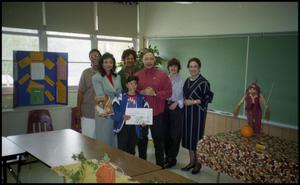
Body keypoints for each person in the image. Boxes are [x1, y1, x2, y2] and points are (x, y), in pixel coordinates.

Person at [135, 51, 172, 167]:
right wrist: (142, 92)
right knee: (142, 140)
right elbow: (131, 92)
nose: (149, 61)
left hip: (157, 112)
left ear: (154, 60)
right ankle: (142, 164)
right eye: (146, 59)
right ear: (142, 61)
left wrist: (155, 93)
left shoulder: (163, 75)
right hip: (141, 113)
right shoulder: (136, 75)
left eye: (151, 59)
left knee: (158, 140)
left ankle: (160, 166)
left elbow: (169, 93)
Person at [181, 57, 214, 174]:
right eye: (191, 66)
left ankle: (198, 163)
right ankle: (191, 162)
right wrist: (184, 101)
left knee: (196, 138)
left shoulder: (204, 82)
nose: (193, 69)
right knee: (189, 138)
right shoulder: (187, 81)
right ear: (188, 68)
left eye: (195, 66)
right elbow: (184, 95)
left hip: (198, 114)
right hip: (187, 113)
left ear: (199, 67)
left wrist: (193, 102)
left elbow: (207, 98)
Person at [118, 48, 148, 160]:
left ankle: (140, 161)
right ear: (123, 60)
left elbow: (142, 88)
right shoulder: (119, 74)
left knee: (137, 139)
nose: (129, 60)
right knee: (125, 141)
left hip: (137, 104)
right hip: (125, 106)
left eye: (131, 58)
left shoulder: (140, 71)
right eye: (127, 58)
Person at [110, 75, 149, 155]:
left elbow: (146, 111)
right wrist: (121, 116)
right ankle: (123, 167)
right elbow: (113, 110)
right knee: (122, 148)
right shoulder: (120, 97)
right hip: (123, 126)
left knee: (131, 149)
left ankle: (130, 166)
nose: (133, 86)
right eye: (131, 83)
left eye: (135, 83)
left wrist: (144, 121)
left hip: (135, 127)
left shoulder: (142, 98)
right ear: (127, 85)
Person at [92, 52, 122, 147]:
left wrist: (119, 108)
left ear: (113, 64)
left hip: (116, 108)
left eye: (110, 62)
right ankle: (103, 158)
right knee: (104, 135)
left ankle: (113, 158)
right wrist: (111, 110)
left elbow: (120, 92)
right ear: (102, 64)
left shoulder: (117, 76)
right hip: (103, 108)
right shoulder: (96, 77)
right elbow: (100, 95)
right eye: (105, 62)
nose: (108, 64)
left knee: (114, 134)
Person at [163, 58, 184, 168]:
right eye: (171, 66)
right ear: (169, 68)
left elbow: (185, 97)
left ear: (178, 68)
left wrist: (177, 102)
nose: (173, 68)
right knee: (166, 134)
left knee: (175, 135)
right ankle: (167, 156)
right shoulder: (165, 79)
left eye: (175, 66)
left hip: (176, 108)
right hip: (165, 107)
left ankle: (172, 158)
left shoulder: (183, 81)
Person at [76, 49, 101, 139]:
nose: (94, 58)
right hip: (88, 112)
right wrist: (78, 110)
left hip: (103, 113)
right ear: (90, 59)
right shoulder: (86, 73)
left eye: (96, 56)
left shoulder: (105, 73)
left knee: (100, 141)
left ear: (100, 57)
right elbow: (80, 92)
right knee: (88, 139)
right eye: (92, 56)